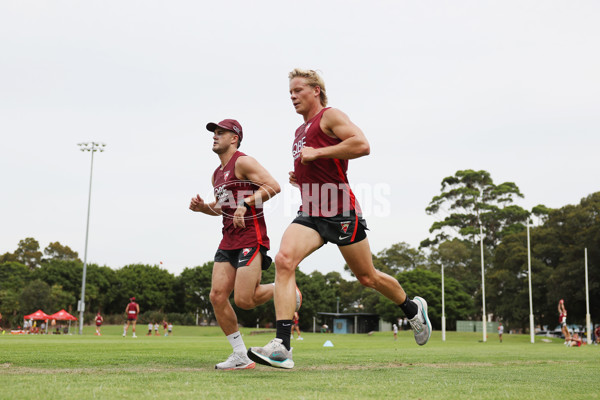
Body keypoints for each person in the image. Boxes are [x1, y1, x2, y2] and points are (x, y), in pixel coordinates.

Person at [248, 69, 431, 369]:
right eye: (289, 92)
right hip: (311, 211)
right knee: (283, 260)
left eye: (298, 90)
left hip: (341, 211)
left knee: (367, 277)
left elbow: (362, 145)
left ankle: (412, 309)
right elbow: (320, 164)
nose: (292, 96)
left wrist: (317, 155)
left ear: (316, 90)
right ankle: (282, 346)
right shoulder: (299, 132)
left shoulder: (331, 117)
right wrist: (302, 177)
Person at [190, 118, 300, 370]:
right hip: (228, 239)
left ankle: (285, 289)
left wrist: (247, 203)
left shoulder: (243, 161)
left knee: (244, 300)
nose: (215, 136)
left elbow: (273, 186)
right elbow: (220, 208)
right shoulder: (216, 174)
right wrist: (202, 208)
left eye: (220, 133)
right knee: (217, 296)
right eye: (213, 133)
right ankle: (240, 355)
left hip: (251, 236)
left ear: (234, 138)